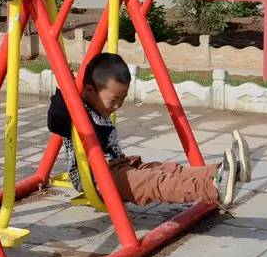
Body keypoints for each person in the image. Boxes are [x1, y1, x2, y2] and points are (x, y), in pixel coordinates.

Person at [47, 53, 251, 207]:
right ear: (89, 91)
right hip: (97, 179)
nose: (118, 105)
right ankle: (212, 188)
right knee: (154, 181)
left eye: (123, 98)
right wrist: (64, 88)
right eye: (114, 99)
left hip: (121, 166)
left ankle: (223, 171)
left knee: (168, 169)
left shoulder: (99, 105)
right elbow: (55, 121)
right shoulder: (75, 110)